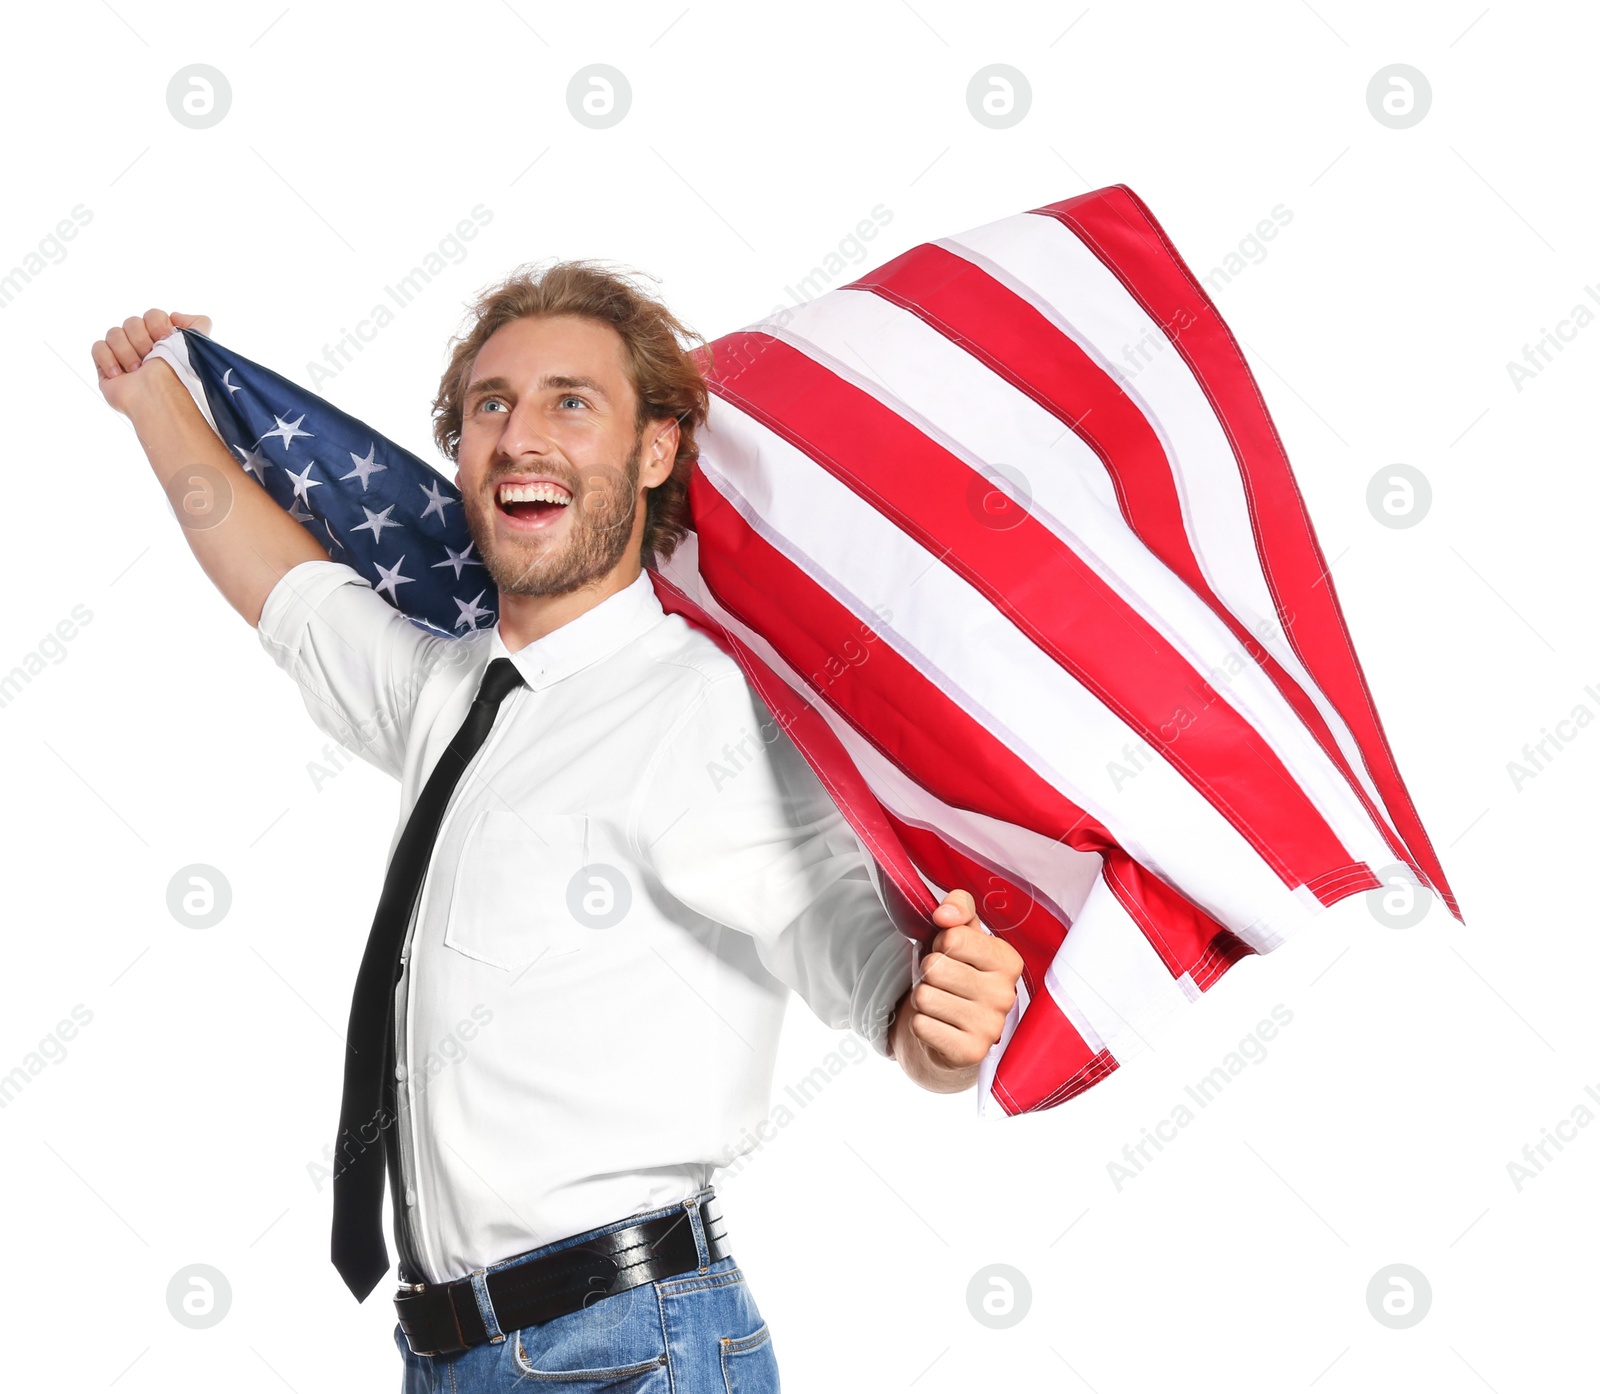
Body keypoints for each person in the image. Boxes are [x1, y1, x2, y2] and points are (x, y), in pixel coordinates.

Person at [92, 262, 1025, 1392]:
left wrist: (937, 1025)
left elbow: (856, 950)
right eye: (492, 404)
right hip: (447, 1355)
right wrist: (155, 396)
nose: (521, 435)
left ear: (656, 451)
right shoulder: (448, 694)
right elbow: (287, 593)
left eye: (570, 401)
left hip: (625, 1350)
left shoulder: (707, 706)